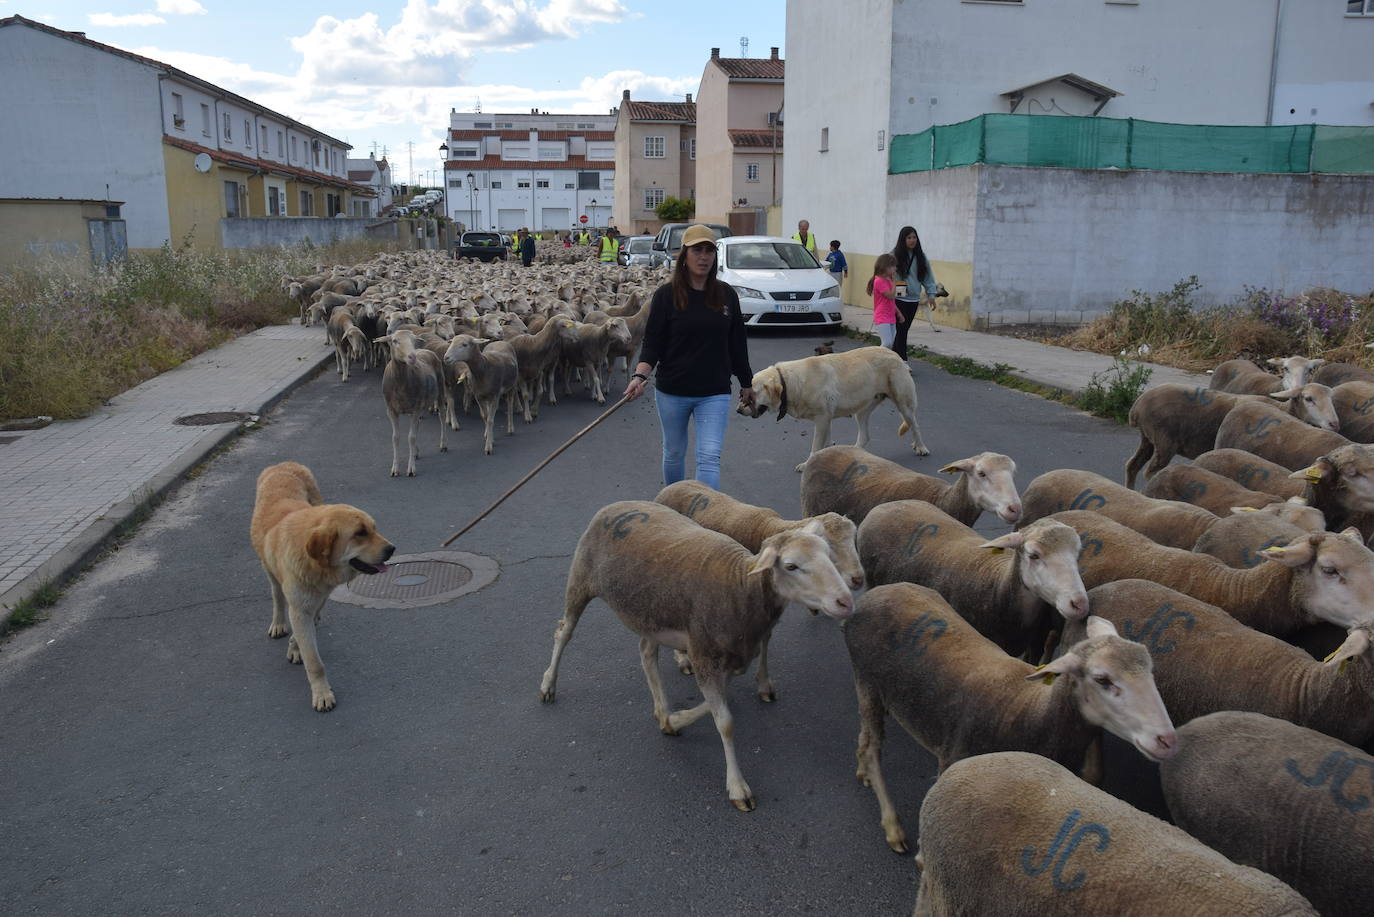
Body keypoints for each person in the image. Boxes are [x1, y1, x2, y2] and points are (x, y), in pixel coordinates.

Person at [624, 224, 754, 490]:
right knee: (673, 452)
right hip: (673, 391)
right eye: (697, 250)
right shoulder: (665, 296)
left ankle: (706, 518)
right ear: (685, 254)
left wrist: (747, 382)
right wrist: (639, 375)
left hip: (714, 392)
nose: (704, 256)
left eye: (709, 250)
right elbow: (653, 344)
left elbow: (737, 342)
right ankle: (674, 507)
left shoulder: (726, 294)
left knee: (708, 457)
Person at [892, 224, 940, 363]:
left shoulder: (921, 257)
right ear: (903, 239)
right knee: (901, 330)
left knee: (903, 329)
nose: (912, 240)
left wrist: (931, 295)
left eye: (914, 237)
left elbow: (928, 277)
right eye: (909, 237)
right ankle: (903, 361)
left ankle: (894, 359)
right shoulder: (894, 255)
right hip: (898, 298)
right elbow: (887, 273)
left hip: (913, 300)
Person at [867, 253, 903, 353]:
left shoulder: (888, 280)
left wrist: (899, 313)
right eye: (893, 266)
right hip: (882, 315)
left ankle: (884, 362)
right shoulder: (879, 281)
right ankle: (876, 357)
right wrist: (895, 282)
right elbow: (890, 295)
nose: (895, 268)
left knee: (890, 343)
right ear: (885, 267)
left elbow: (892, 301)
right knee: (886, 343)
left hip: (890, 315)